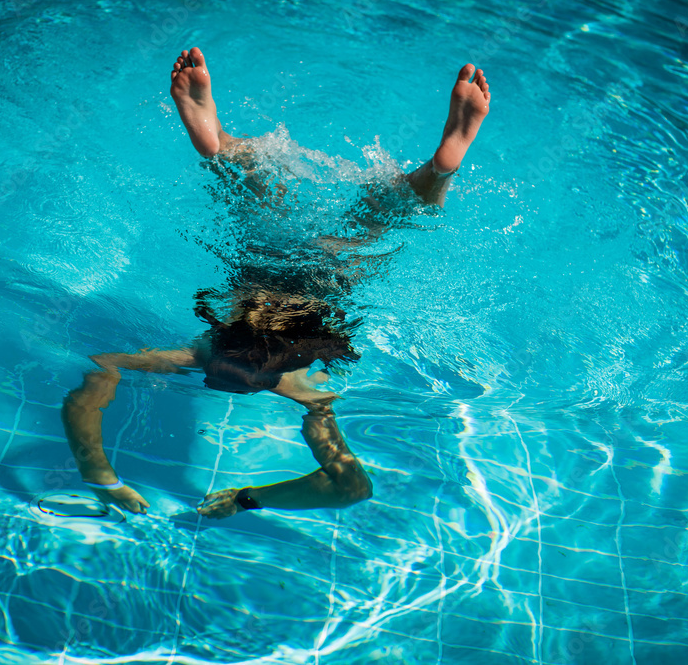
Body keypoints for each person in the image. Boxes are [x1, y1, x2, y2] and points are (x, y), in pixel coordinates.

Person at [61, 47, 490, 518]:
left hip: (326, 282)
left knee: (376, 227)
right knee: (256, 207)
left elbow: (351, 486)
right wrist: (101, 477)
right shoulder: (212, 359)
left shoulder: (298, 386)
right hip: (260, 274)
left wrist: (107, 479)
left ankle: (439, 171)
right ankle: (218, 143)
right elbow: (101, 369)